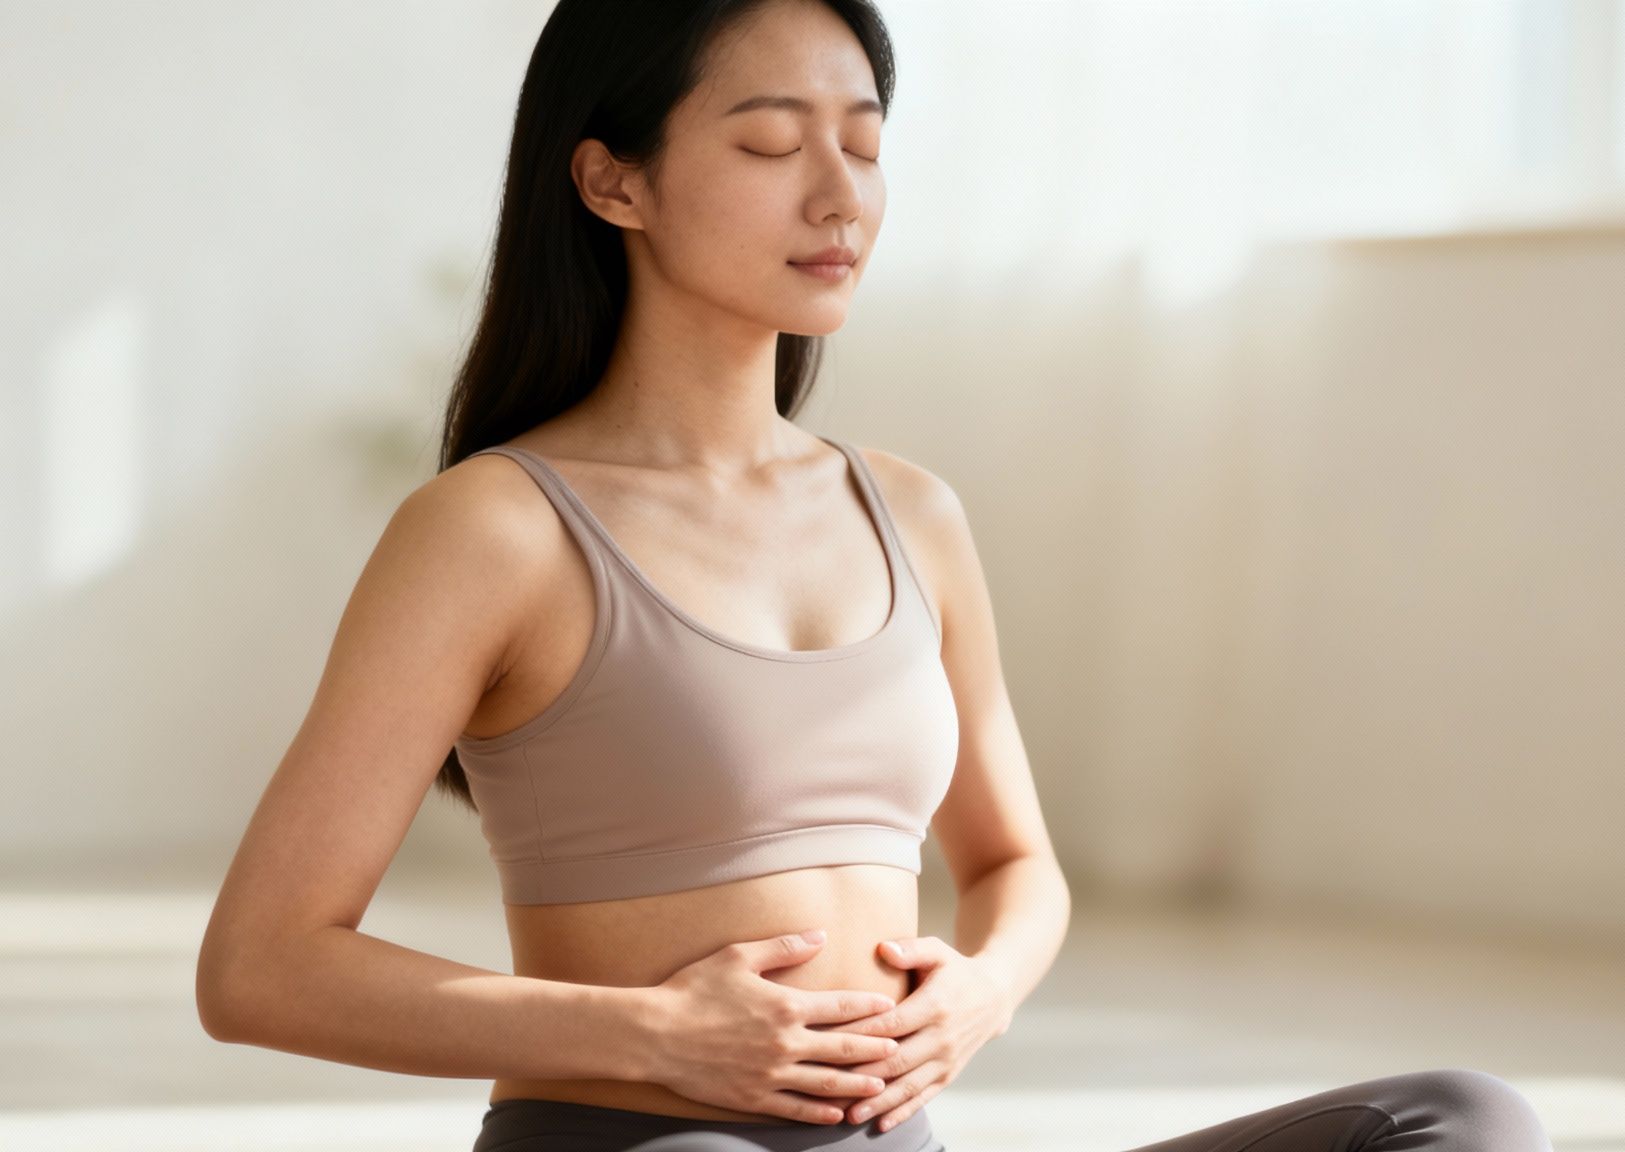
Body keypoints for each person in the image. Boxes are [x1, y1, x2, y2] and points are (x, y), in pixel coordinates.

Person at [194, 2, 1555, 1149]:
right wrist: (655, 1034)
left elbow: (1014, 864)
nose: (840, 194)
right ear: (614, 183)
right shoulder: (495, 529)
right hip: (642, 1141)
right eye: (772, 143)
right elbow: (261, 967)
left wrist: (984, 991)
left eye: (864, 144)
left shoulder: (911, 513)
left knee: (1458, 1119)